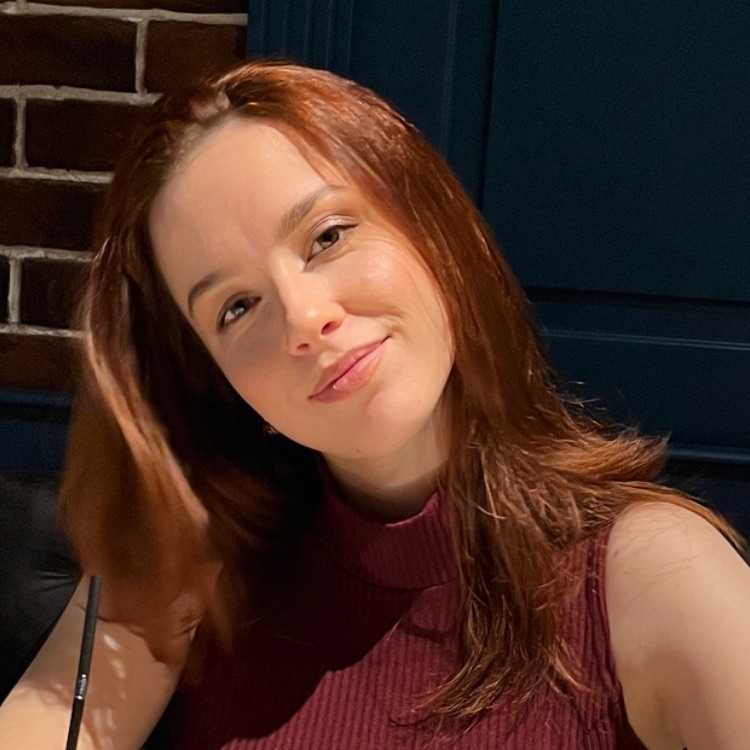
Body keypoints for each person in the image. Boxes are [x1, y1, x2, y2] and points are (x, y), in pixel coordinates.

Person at [0, 60, 749, 750]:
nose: (303, 318)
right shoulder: (199, 565)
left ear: (433, 232)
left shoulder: (646, 575)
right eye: (236, 307)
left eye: (327, 236)